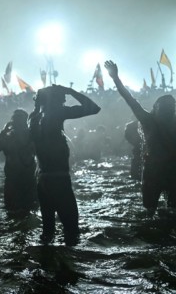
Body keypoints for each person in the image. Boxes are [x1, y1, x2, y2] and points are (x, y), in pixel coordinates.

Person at [28, 85, 100, 245]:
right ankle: (68, 268)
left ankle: (46, 264)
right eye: (63, 96)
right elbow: (94, 108)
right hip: (59, 180)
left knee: (48, 232)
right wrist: (71, 90)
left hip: (42, 180)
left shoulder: (33, 117)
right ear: (55, 99)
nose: (65, 99)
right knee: (72, 232)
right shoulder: (56, 113)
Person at [105, 60, 176, 215]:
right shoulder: (149, 121)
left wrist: (115, 77)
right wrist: (115, 78)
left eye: (171, 106)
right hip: (162, 170)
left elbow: (130, 100)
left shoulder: (149, 120)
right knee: (164, 212)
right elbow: (129, 99)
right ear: (156, 108)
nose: (168, 108)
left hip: (159, 170)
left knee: (151, 213)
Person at [0, 109, 38, 215]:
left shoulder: (32, 136)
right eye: (17, 121)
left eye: (20, 121)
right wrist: (3, 132)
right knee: (15, 213)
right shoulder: (8, 137)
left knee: (27, 212)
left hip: (28, 181)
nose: (19, 124)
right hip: (13, 182)